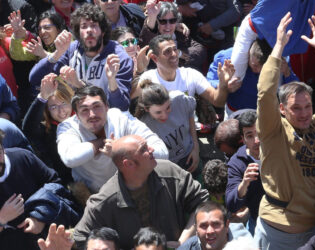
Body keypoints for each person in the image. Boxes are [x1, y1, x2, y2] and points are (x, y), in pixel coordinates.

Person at [254, 14, 315, 249]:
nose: (304, 113)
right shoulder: (273, 129)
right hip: (278, 232)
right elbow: (265, 93)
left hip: (314, 229)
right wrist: (279, 46)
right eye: (296, 108)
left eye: (308, 106)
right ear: (282, 109)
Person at [71, 134, 210, 249]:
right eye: (143, 149)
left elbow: (202, 204)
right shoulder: (104, 201)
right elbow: (80, 239)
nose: (152, 149)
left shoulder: (170, 172)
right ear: (128, 164)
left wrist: (183, 242)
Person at [55, 86, 168, 194]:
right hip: (95, 195)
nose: (92, 114)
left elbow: (162, 152)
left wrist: (120, 151)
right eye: (84, 110)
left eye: (97, 106)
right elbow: (70, 159)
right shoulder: (67, 127)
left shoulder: (121, 118)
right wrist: (102, 142)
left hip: (133, 188)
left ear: (106, 107)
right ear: (77, 115)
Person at [29, 4, 133, 110]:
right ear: (78, 32)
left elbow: (120, 108)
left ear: (103, 31)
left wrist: (81, 85)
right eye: (84, 26)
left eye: (94, 25)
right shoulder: (72, 50)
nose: (89, 30)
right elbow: (35, 78)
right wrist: (57, 54)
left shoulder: (118, 57)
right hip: (77, 115)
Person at [0, 129, 80, 247]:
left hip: (50, 238)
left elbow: (55, 184)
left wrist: (39, 217)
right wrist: (2, 219)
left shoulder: (23, 157)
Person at [137, 34, 233, 108]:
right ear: (155, 58)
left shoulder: (191, 74)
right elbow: (131, 99)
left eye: (175, 49)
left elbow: (217, 102)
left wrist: (223, 84)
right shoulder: (148, 78)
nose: (174, 54)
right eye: (167, 51)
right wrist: (138, 71)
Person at [135, 81, 199, 173]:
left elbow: (190, 115)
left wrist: (196, 148)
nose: (165, 116)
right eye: (158, 112)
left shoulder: (179, 99)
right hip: (168, 166)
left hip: (190, 153)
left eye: (168, 107)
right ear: (146, 109)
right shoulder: (142, 125)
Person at [225, 110, 263, 235]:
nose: (256, 140)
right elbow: (231, 204)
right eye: (250, 136)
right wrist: (244, 183)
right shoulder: (236, 163)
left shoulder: (278, 151)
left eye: (259, 133)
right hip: (257, 221)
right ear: (243, 139)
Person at [179, 201, 254, 250]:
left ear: (227, 225)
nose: (210, 231)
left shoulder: (244, 243)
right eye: (203, 226)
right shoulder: (188, 247)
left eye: (216, 224)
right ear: (196, 230)